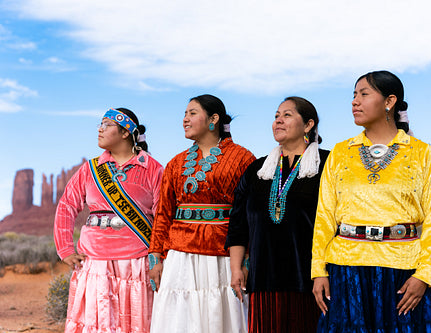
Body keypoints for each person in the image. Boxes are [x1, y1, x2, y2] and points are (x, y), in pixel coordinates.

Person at [312, 70, 431, 332]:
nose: (355, 102)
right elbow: (324, 215)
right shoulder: (341, 153)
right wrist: (319, 269)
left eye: (364, 94)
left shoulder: (421, 153)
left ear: (389, 101)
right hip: (347, 269)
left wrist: (424, 274)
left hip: (402, 271)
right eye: (353, 95)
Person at [148, 94, 256, 333]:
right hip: (180, 257)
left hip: (223, 256)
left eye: (192, 113)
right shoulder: (175, 164)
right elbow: (163, 214)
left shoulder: (242, 159)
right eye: (184, 114)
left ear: (213, 119)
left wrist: (246, 260)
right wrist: (155, 256)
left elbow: (249, 215)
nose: (185, 119)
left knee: (221, 316)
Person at [54, 108, 164, 333]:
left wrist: (158, 256)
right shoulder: (90, 169)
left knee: (136, 324)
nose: (100, 129)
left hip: (136, 263)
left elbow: (163, 215)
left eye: (106, 125)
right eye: (100, 124)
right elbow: (66, 206)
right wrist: (65, 249)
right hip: (95, 262)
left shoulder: (153, 169)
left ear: (125, 133)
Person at [225, 96, 329, 332]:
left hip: (312, 281)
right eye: (276, 116)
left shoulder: (327, 164)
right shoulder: (258, 170)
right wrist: (236, 268)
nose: (278, 121)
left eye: (287, 115)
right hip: (264, 279)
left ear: (309, 124)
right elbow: (238, 223)